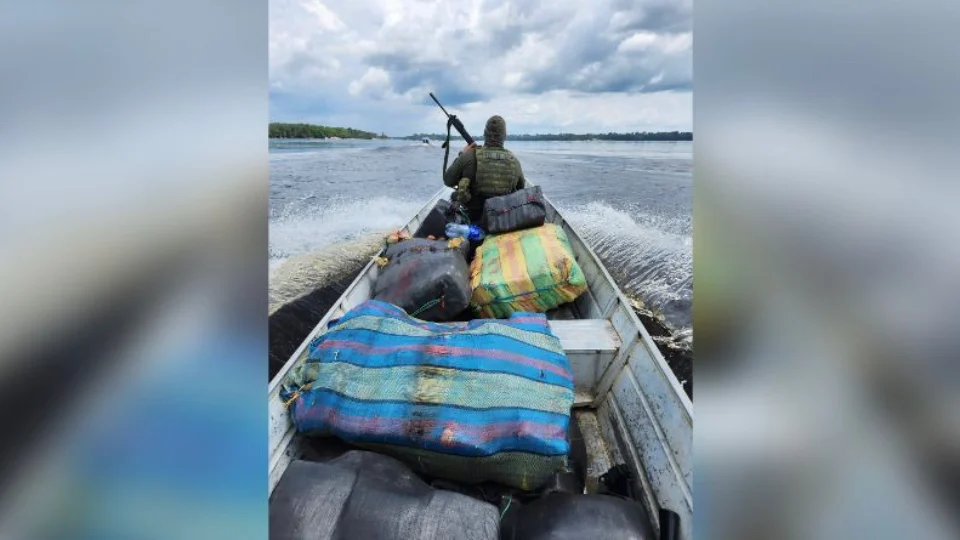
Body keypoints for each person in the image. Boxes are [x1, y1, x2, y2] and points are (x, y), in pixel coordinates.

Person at [443, 115, 526, 224]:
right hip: (504, 221)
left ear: (484, 134)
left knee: (454, 196)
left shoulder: (468, 157)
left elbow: (448, 180)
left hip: (474, 220)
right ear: (504, 136)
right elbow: (521, 189)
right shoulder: (514, 161)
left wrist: (462, 154)